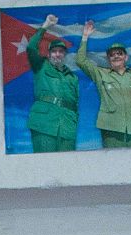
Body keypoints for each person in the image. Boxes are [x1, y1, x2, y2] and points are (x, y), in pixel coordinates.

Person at [76, 22, 131, 148]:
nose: (116, 56)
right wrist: (85, 37)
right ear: (108, 60)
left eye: (119, 53)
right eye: (112, 55)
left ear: (126, 57)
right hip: (112, 129)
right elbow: (80, 61)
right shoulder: (100, 74)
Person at [25, 15, 78, 153]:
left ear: (65, 55)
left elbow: (75, 104)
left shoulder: (72, 77)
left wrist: (73, 123)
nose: (57, 54)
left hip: (67, 129)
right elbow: (31, 47)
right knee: (45, 166)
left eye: (61, 52)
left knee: (68, 167)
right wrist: (46, 25)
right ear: (48, 55)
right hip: (44, 124)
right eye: (54, 51)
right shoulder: (40, 66)